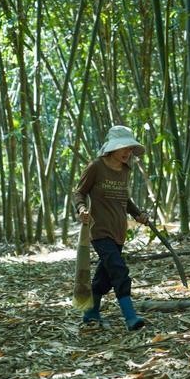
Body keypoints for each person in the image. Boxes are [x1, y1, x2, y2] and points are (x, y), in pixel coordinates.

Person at [73, 125, 149, 331]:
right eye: (123, 147)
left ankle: (90, 312)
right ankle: (130, 317)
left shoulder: (125, 170)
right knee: (119, 271)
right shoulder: (96, 167)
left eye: (130, 148)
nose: (127, 152)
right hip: (99, 230)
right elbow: (79, 193)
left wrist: (137, 214)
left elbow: (125, 199)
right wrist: (81, 209)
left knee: (104, 278)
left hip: (119, 231)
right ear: (111, 148)